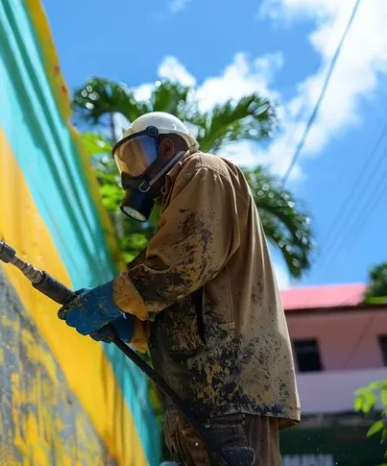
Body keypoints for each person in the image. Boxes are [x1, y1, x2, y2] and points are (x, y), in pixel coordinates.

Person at [59, 112, 300, 466]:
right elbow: (186, 297)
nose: (131, 172)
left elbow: (185, 264)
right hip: (204, 399)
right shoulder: (180, 203)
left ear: (167, 145)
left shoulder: (203, 170)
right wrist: (135, 327)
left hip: (227, 391)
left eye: (136, 156)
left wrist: (111, 298)